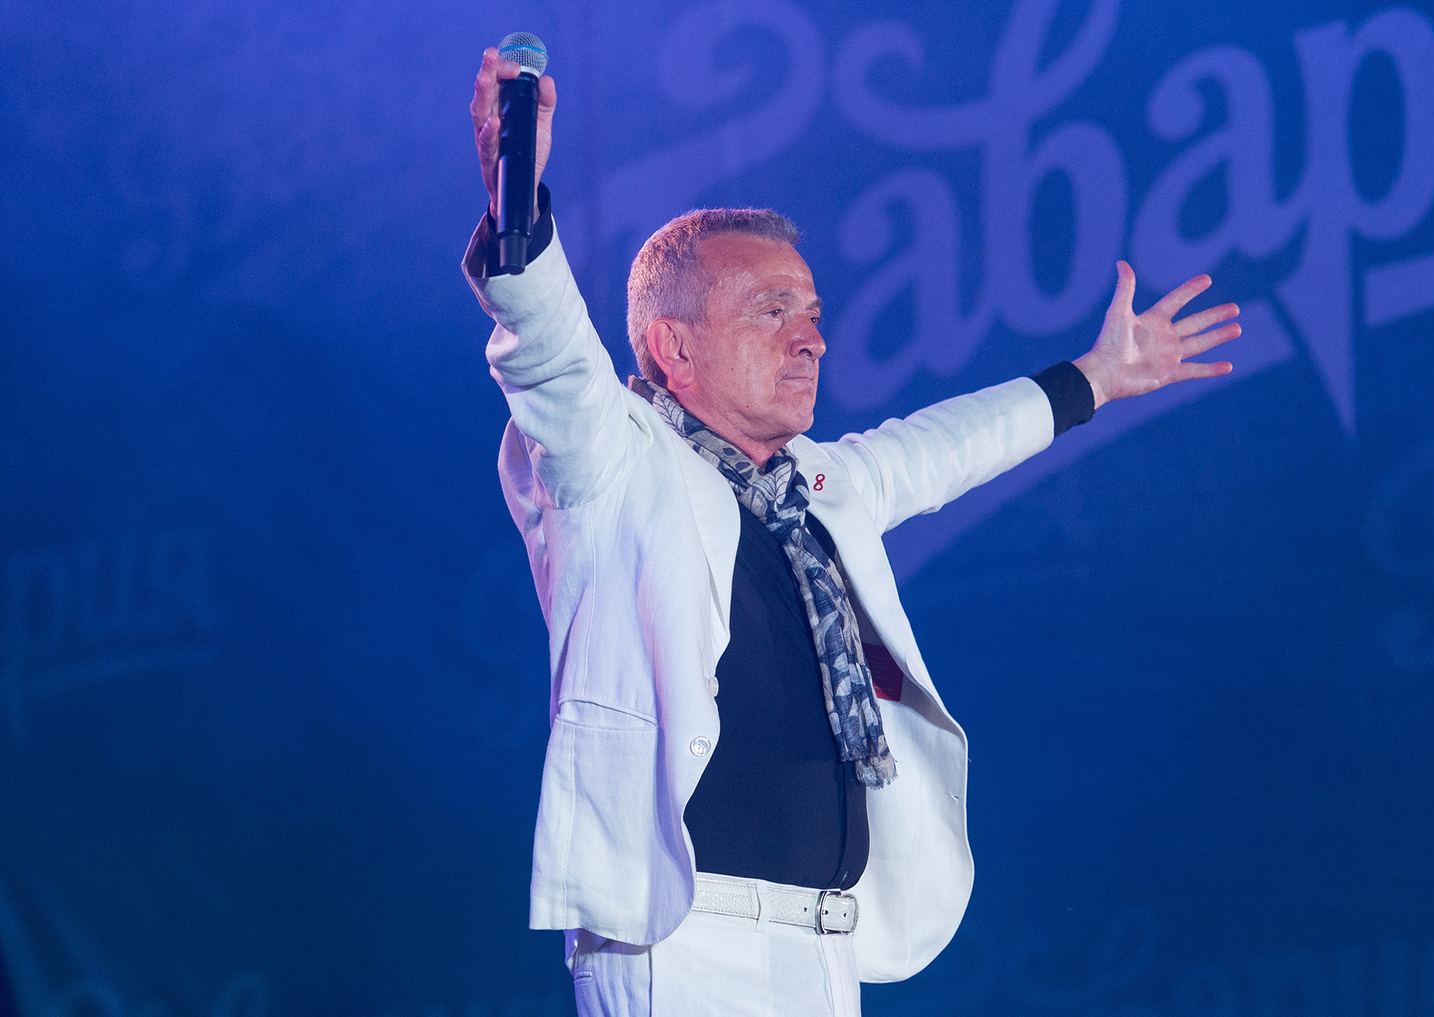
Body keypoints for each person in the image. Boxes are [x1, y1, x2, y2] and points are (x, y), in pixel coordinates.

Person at [465, 46, 1240, 1016]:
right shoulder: (613, 463)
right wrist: (516, 196)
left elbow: (943, 448)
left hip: (825, 946)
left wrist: (1096, 378)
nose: (813, 337)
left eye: (813, 313)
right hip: (683, 942)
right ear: (673, 347)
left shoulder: (816, 490)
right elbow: (548, 353)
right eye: (772, 311)